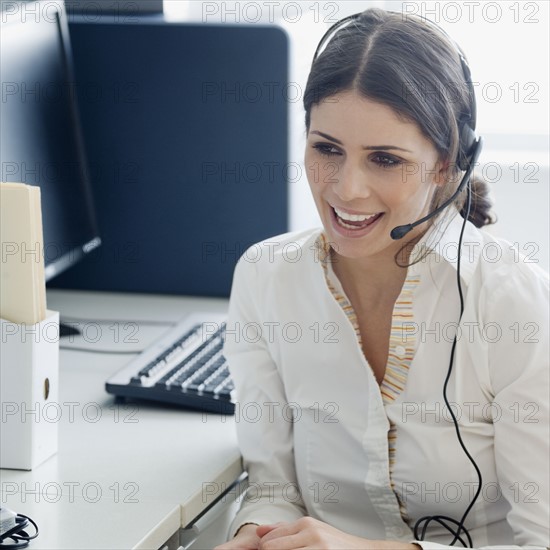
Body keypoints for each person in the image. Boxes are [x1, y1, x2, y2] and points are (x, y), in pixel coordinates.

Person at [216, 7, 549, 550]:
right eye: (327, 149)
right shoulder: (265, 278)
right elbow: (273, 485)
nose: (347, 190)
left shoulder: (513, 303)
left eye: (385, 159)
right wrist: (257, 533)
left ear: (446, 164)